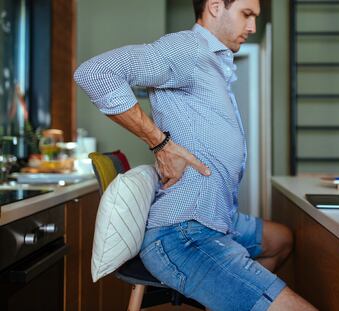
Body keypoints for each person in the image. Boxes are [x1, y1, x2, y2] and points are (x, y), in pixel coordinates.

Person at [75, 0, 316, 310]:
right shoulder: (188, 49)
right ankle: (243, 290)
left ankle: (237, 294)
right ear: (215, 6)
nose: (252, 26)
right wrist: (160, 143)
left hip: (218, 219)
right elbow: (95, 73)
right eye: (247, 14)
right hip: (183, 234)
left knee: (281, 239)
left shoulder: (212, 61)